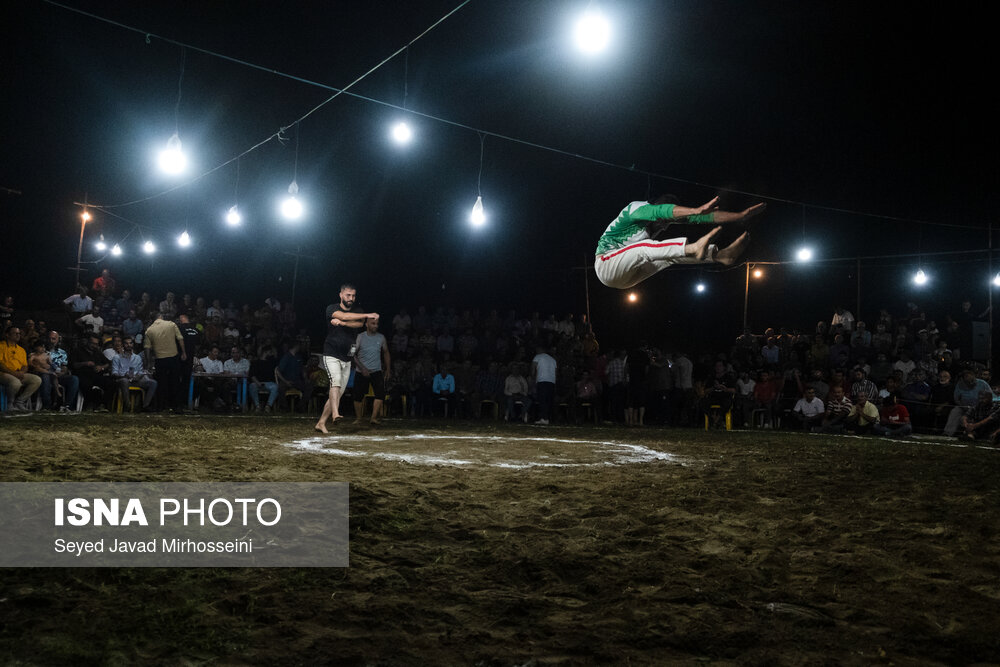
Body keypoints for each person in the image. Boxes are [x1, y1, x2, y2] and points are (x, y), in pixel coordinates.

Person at [594, 195, 765, 289]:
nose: (664, 226)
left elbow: (700, 217)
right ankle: (693, 247)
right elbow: (662, 210)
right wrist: (694, 209)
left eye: (668, 223)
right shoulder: (635, 209)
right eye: (663, 221)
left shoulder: (659, 220)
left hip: (628, 278)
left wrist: (740, 216)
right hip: (606, 265)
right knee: (644, 248)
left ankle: (720, 255)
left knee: (667, 256)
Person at [315, 284, 379, 433]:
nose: (351, 298)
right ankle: (336, 414)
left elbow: (357, 323)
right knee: (335, 382)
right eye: (348, 295)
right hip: (331, 354)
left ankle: (321, 422)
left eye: (353, 296)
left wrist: (344, 323)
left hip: (347, 357)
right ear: (341, 295)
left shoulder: (358, 311)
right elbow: (344, 315)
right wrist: (367, 315)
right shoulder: (331, 308)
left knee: (338, 392)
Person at [143, 312, 186, 411]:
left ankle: (161, 406)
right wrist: (183, 352)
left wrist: (149, 362)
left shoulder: (149, 330)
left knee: (161, 383)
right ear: (161, 317)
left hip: (159, 359)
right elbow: (180, 338)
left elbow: (147, 348)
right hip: (173, 357)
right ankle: (176, 406)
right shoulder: (171, 324)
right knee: (175, 382)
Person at [352, 317, 391, 425]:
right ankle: (359, 418)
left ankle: (373, 418)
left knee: (380, 394)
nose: (375, 326)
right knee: (357, 395)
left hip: (376, 370)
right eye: (373, 323)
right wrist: (362, 368)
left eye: (377, 324)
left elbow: (386, 352)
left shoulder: (381, 337)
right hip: (361, 371)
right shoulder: (359, 337)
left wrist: (388, 368)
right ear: (366, 324)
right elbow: (351, 354)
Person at [1, 327, 42, 411]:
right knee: (16, 383)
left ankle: (20, 402)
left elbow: (25, 365)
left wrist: (22, 372)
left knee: (36, 380)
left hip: (18, 373)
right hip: (4, 373)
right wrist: (14, 373)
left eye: (19, 333)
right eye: (15, 333)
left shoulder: (21, 350)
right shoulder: (1, 346)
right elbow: (0, 364)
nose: (18, 335)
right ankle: (10, 404)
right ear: (7, 335)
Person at [111, 337, 158, 411]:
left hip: (135, 380)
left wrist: (139, 376)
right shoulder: (117, 357)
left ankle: (145, 406)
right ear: (123, 345)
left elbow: (140, 371)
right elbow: (114, 373)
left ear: (133, 344)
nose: (128, 345)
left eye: (130, 343)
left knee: (153, 383)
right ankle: (127, 405)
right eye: (126, 343)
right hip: (122, 380)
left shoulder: (137, 358)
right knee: (124, 380)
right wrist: (124, 375)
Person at [530, 345, 558, 425]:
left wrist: (533, 378)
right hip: (551, 382)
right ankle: (547, 418)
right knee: (548, 400)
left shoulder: (538, 357)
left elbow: (533, 368)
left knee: (542, 400)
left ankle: (543, 418)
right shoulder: (553, 359)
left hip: (542, 380)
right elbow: (555, 373)